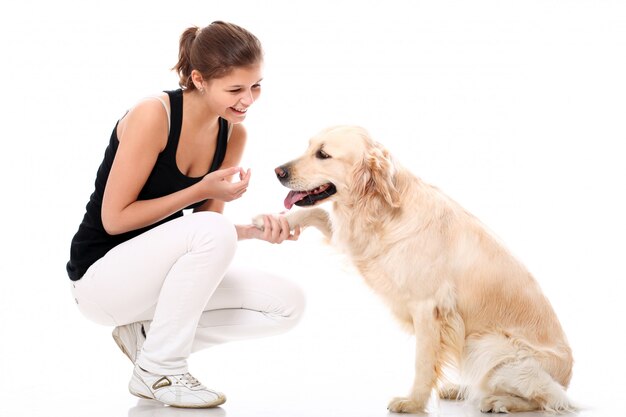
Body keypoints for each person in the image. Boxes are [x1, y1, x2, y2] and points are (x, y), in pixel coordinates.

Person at [66, 21, 305, 409]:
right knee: (212, 228)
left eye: (256, 86)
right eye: (235, 89)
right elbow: (115, 219)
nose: (248, 99)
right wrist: (200, 189)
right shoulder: (153, 115)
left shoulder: (233, 134)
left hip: (153, 281)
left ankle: (146, 341)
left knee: (288, 304)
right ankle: (161, 368)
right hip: (100, 280)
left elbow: (204, 232)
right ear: (199, 79)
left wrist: (253, 230)